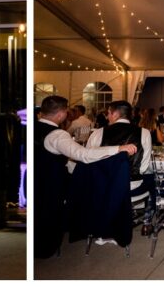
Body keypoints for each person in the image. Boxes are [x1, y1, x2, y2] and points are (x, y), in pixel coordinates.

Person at [34, 95, 136, 258]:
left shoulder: (31, 128)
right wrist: (118, 148)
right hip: (51, 187)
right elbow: (83, 155)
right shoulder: (57, 135)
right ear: (62, 114)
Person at [84, 100, 152, 243]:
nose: (107, 116)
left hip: (102, 186)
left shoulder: (98, 133)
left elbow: (88, 159)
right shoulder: (144, 132)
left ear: (115, 114)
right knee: (152, 179)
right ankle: (146, 220)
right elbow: (144, 165)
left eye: (108, 113)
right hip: (131, 184)